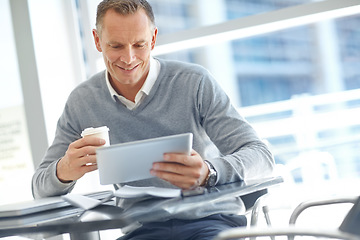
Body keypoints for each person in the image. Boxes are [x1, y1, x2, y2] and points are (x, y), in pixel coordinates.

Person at [32, 0, 275, 239]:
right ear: (97, 41)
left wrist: (209, 172)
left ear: (154, 38)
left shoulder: (195, 83)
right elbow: (39, 188)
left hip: (210, 221)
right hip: (143, 230)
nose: (128, 58)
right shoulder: (82, 101)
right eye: (116, 46)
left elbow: (261, 156)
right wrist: (63, 170)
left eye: (139, 44)